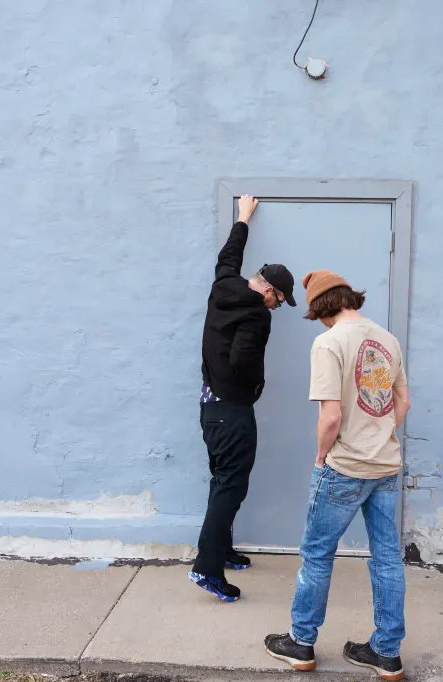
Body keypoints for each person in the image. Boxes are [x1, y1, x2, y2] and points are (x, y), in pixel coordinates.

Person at [264, 270, 410, 681]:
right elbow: (403, 402)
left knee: (317, 554)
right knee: (385, 558)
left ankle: (301, 642)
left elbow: (331, 416)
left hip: (344, 467)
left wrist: (320, 456)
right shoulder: (387, 339)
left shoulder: (328, 343)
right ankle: (385, 652)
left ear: (322, 308)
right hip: (384, 465)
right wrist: (383, 435)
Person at [189, 194, 297, 603]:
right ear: (267, 289)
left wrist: (243, 218)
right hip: (232, 411)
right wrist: (256, 386)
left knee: (224, 484)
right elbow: (242, 359)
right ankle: (207, 570)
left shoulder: (224, 284)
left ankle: (221, 550)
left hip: (210, 408)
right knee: (230, 487)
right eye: (278, 299)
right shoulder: (257, 313)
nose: (276, 306)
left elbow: (227, 256)